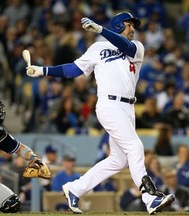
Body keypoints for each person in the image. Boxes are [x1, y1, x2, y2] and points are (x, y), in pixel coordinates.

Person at [25, 12, 175, 214]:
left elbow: (126, 46)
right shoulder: (97, 48)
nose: (133, 29)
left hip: (128, 108)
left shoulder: (137, 47)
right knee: (135, 146)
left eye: (133, 25)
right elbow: (73, 69)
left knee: (118, 160)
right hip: (109, 105)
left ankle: (74, 189)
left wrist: (100, 30)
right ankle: (150, 197)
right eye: (129, 24)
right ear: (118, 25)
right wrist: (42, 70)